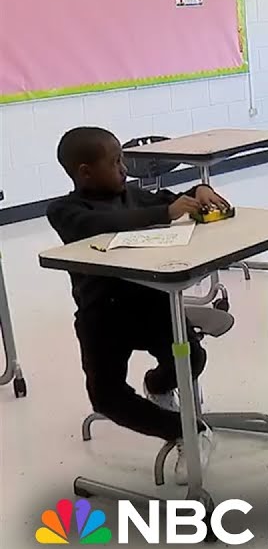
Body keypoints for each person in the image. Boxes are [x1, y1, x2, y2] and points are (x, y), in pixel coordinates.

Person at [46, 126, 229, 485]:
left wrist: (197, 191)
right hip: (102, 315)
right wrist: (165, 212)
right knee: (106, 397)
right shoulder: (66, 211)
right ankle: (185, 430)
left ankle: (158, 387)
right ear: (85, 172)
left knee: (192, 357)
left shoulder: (133, 195)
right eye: (115, 162)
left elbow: (173, 198)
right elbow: (101, 225)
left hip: (150, 305)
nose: (124, 168)